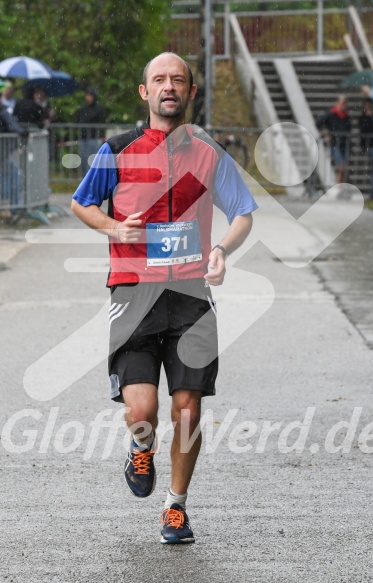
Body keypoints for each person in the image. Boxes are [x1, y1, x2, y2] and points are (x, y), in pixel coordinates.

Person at [71, 52, 257, 544]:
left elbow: (242, 213)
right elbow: (80, 203)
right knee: (142, 411)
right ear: (144, 92)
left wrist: (221, 250)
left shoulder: (209, 152)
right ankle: (141, 450)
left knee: (189, 410)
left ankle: (175, 507)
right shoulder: (118, 149)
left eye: (177, 79)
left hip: (192, 293)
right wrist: (114, 225)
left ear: (190, 92)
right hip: (133, 292)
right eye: (159, 79)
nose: (168, 86)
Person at [0, 80, 28, 208]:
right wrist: (24, 132)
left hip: (3, 151)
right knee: (13, 176)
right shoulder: (2, 111)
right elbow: (13, 126)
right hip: (2, 152)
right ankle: (14, 206)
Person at [316, 95, 351, 184]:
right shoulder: (331, 114)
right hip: (334, 144)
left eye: (345, 103)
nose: (344, 105)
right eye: (342, 103)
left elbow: (348, 129)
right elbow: (318, 123)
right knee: (341, 167)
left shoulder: (347, 116)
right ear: (337, 103)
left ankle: (345, 188)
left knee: (344, 169)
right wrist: (324, 134)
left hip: (344, 144)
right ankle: (341, 188)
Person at [74, 87, 107, 175]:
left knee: (93, 160)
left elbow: (90, 118)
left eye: (90, 96)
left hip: (94, 138)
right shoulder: (83, 109)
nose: (88, 98)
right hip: (84, 138)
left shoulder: (98, 108)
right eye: (87, 95)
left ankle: (94, 179)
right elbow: (78, 120)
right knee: (84, 161)